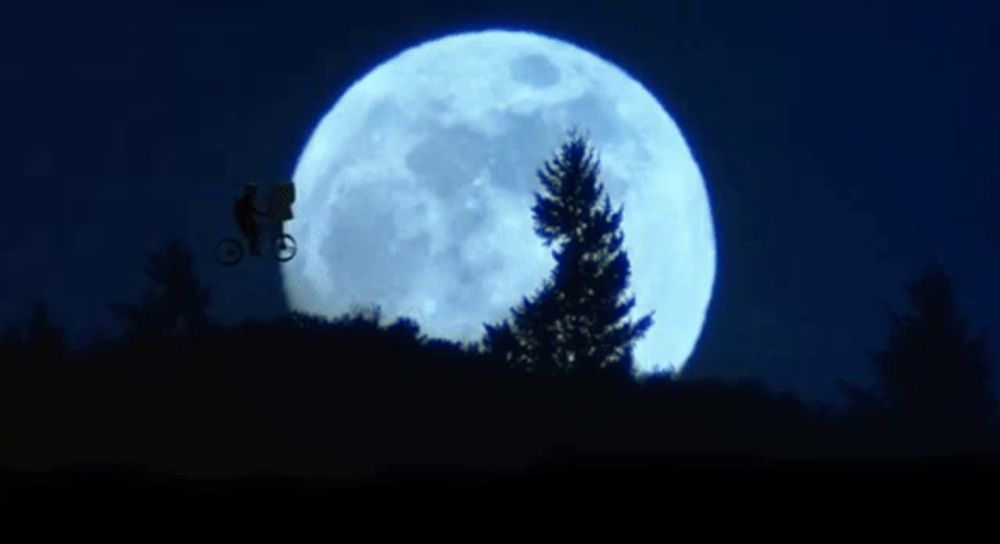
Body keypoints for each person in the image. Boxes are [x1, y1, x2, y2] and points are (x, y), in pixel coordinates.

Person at [233, 183, 269, 256]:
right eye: (254, 190)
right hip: (243, 221)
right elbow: (253, 210)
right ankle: (253, 250)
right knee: (254, 233)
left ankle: (253, 248)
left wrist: (263, 214)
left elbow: (253, 210)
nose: (255, 192)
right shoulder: (248, 199)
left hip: (245, 220)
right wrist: (264, 214)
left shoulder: (248, 199)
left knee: (256, 230)